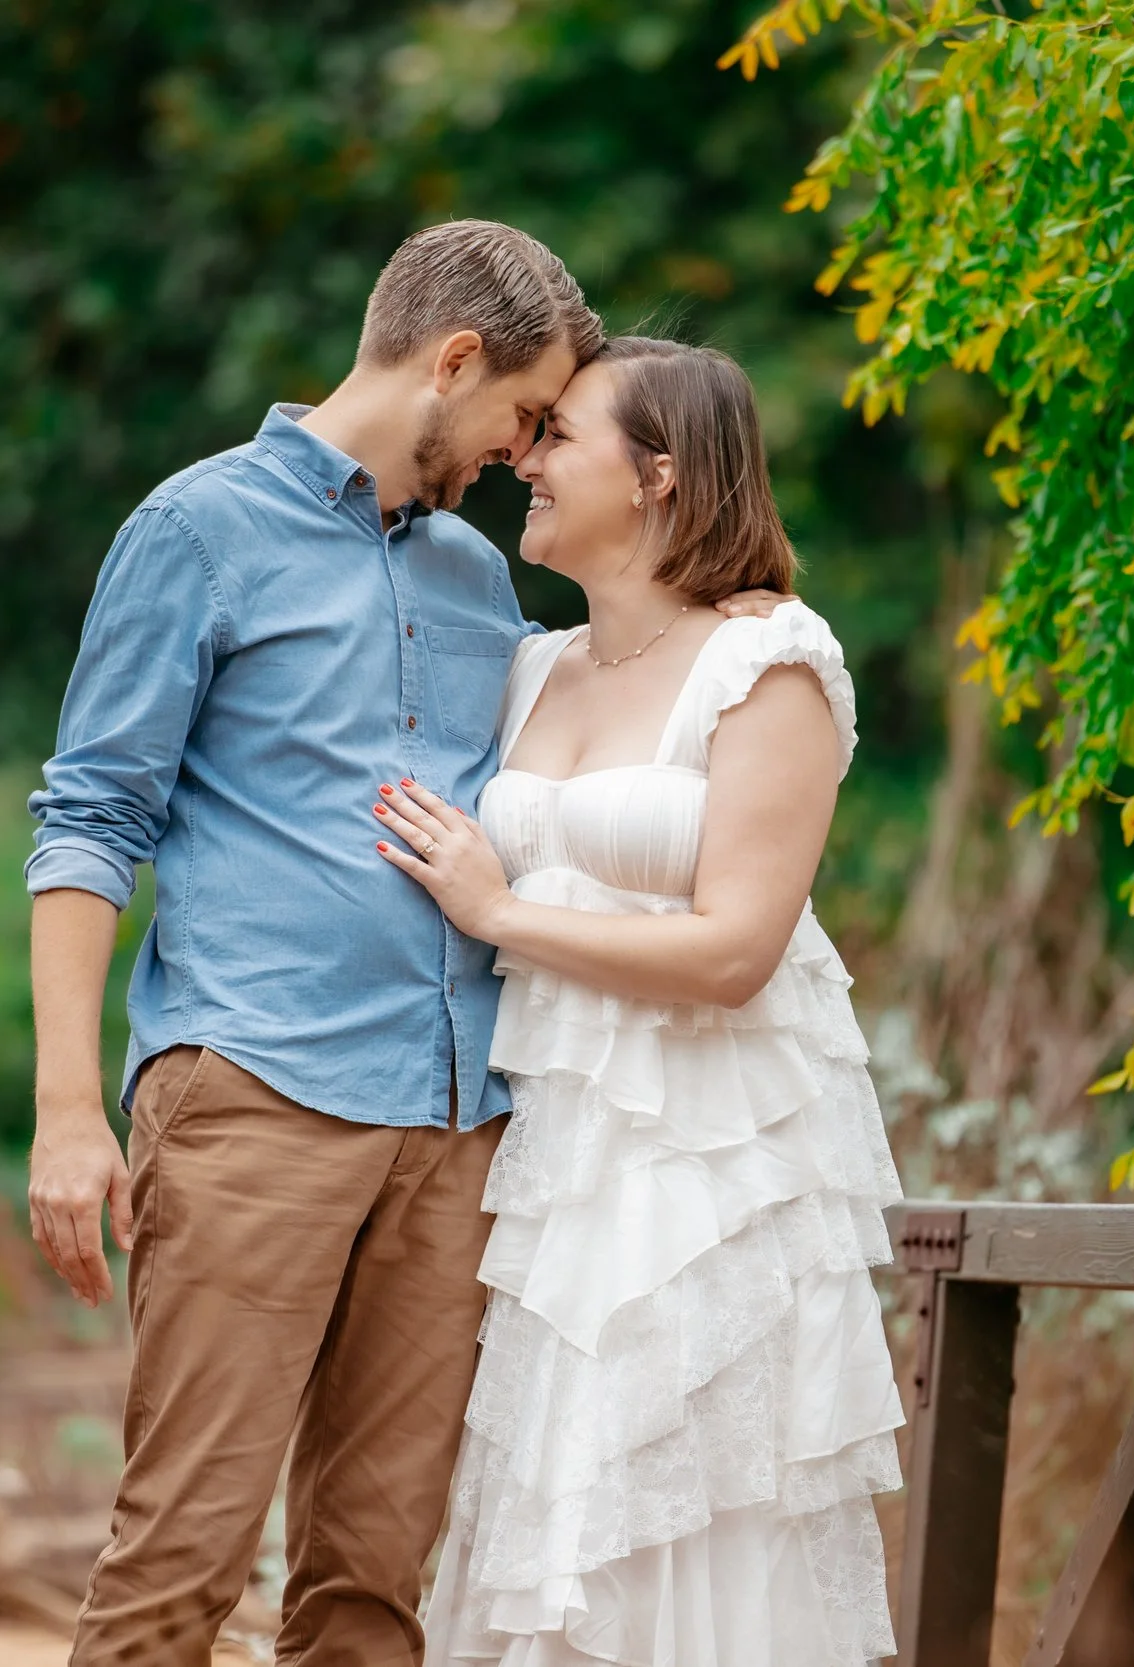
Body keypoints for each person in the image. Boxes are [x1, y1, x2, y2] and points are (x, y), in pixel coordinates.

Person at [24, 226, 783, 1666]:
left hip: (457, 1130)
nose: (522, 453)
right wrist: (69, 1111)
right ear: (453, 362)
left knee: (374, 1590)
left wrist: (731, 614)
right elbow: (89, 820)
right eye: (524, 413)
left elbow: (611, 693)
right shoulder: (197, 532)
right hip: (258, 1094)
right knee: (182, 1556)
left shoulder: (473, 576)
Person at [372, 337, 905, 1667]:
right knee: (550, 1514)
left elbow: (736, 951)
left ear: (659, 473)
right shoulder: (532, 667)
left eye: (560, 435)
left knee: (688, 1518)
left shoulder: (768, 663)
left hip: (707, 1164)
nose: (527, 459)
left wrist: (500, 914)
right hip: (550, 1163)